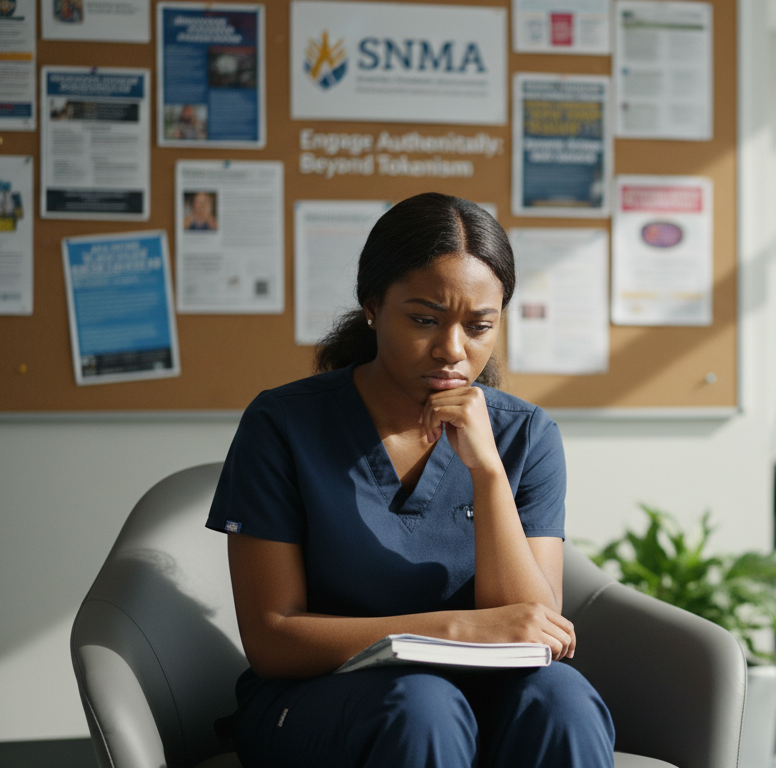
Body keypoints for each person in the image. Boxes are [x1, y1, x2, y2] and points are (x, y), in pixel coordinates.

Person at [206, 193, 616, 768]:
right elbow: (273, 640)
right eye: (424, 319)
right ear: (372, 306)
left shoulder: (526, 435)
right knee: (421, 704)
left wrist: (487, 473)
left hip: (474, 695)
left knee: (565, 699)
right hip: (317, 699)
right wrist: (456, 629)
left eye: (479, 326)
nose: (452, 350)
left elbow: (532, 630)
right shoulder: (282, 425)